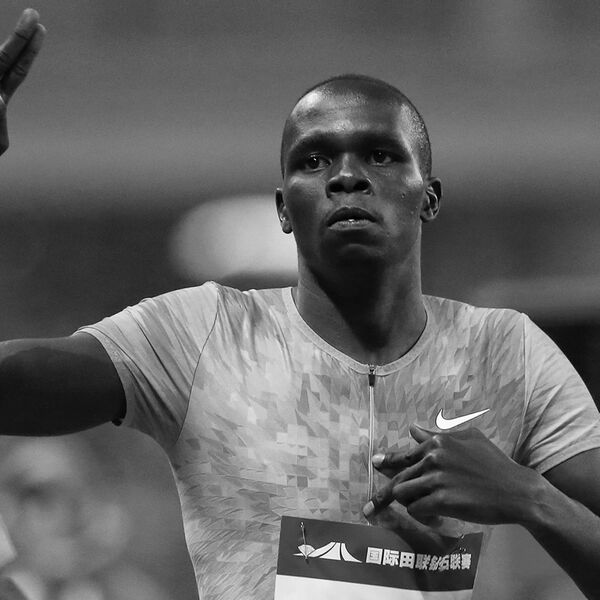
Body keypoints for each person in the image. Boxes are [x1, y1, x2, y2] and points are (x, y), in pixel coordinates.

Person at [2, 8, 600, 600]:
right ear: (284, 208)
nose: (346, 177)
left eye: (380, 155)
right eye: (314, 161)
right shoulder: (201, 336)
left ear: (430, 196)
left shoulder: (507, 353)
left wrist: (530, 498)